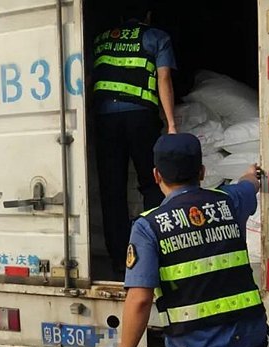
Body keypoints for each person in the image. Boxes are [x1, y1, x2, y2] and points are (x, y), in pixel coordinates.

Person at [111, 133, 268, 347]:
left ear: (156, 175)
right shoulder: (229, 201)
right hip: (252, 344)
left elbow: (139, 299)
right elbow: (248, 185)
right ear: (202, 171)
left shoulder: (148, 227)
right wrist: (253, 175)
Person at [90, 0, 178, 279]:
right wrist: (171, 124)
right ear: (148, 15)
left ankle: (119, 260)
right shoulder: (157, 37)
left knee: (112, 190)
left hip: (105, 120)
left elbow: (90, 79)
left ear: (120, 16)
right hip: (141, 119)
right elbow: (164, 79)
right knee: (152, 183)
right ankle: (153, 254)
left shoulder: (101, 40)